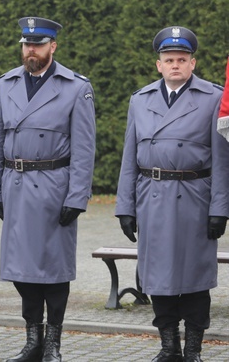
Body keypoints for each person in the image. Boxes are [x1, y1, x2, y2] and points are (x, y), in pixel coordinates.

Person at [0, 17, 96, 362]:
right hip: (15, 187)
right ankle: (32, 339)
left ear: (52, 47)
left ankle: (53, 344)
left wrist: (77, 196)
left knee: (54, 271)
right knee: (22, 270)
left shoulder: (75, 87)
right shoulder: (6, 84)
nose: (31, 51)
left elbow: (84, 148)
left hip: (53, 188)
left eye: (38, 44)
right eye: (27, 44)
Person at [115, 27, 229, 362]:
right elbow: (129, 157)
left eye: (182, 59)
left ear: (192, 63)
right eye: (169, 60)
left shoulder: (212, 99)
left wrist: (220, 207)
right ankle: (169, 347)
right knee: (157, 278)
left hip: (195, 198)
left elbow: (222, 160)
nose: (175, 65)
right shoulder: (141, 99)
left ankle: (193, 349)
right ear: (158, 65)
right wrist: (125, 206)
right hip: (152, 198)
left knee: (195, 279)